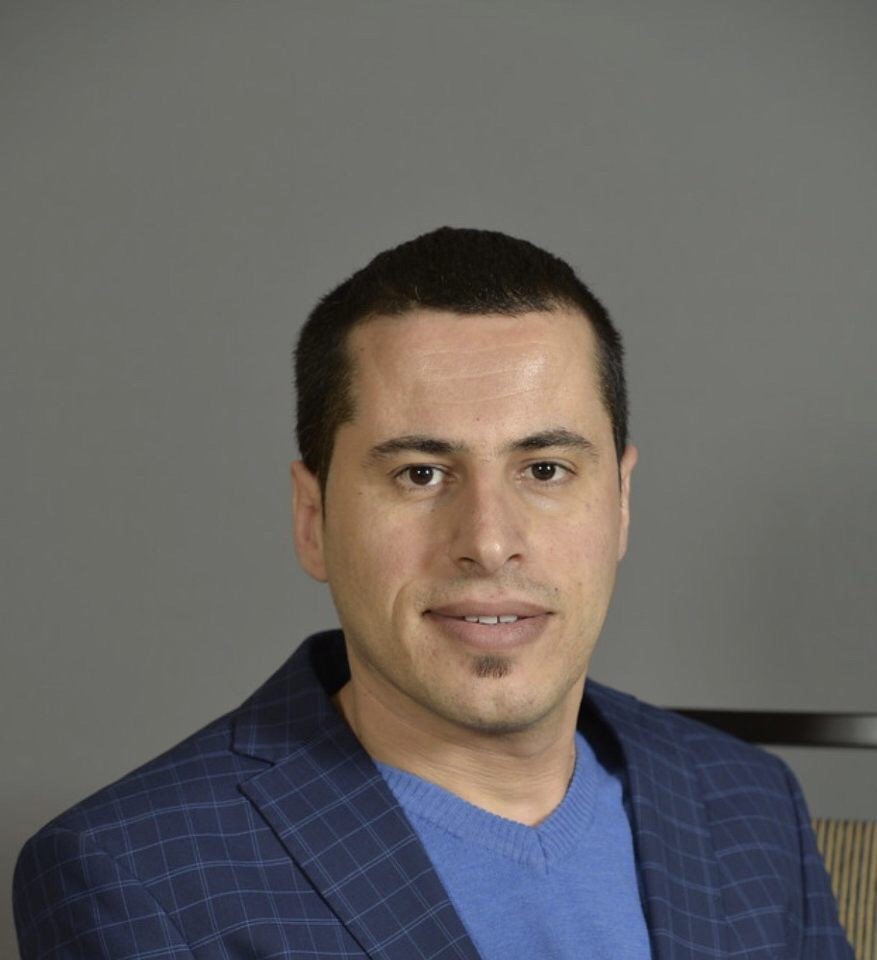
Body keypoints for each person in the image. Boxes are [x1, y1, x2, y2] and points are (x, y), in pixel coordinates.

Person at [13, 227, 852, 959]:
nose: (487, 540)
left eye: (546, 470)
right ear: (313, 518)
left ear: (621, 504)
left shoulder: (747, 802)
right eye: (419, 473)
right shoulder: (135, 873)